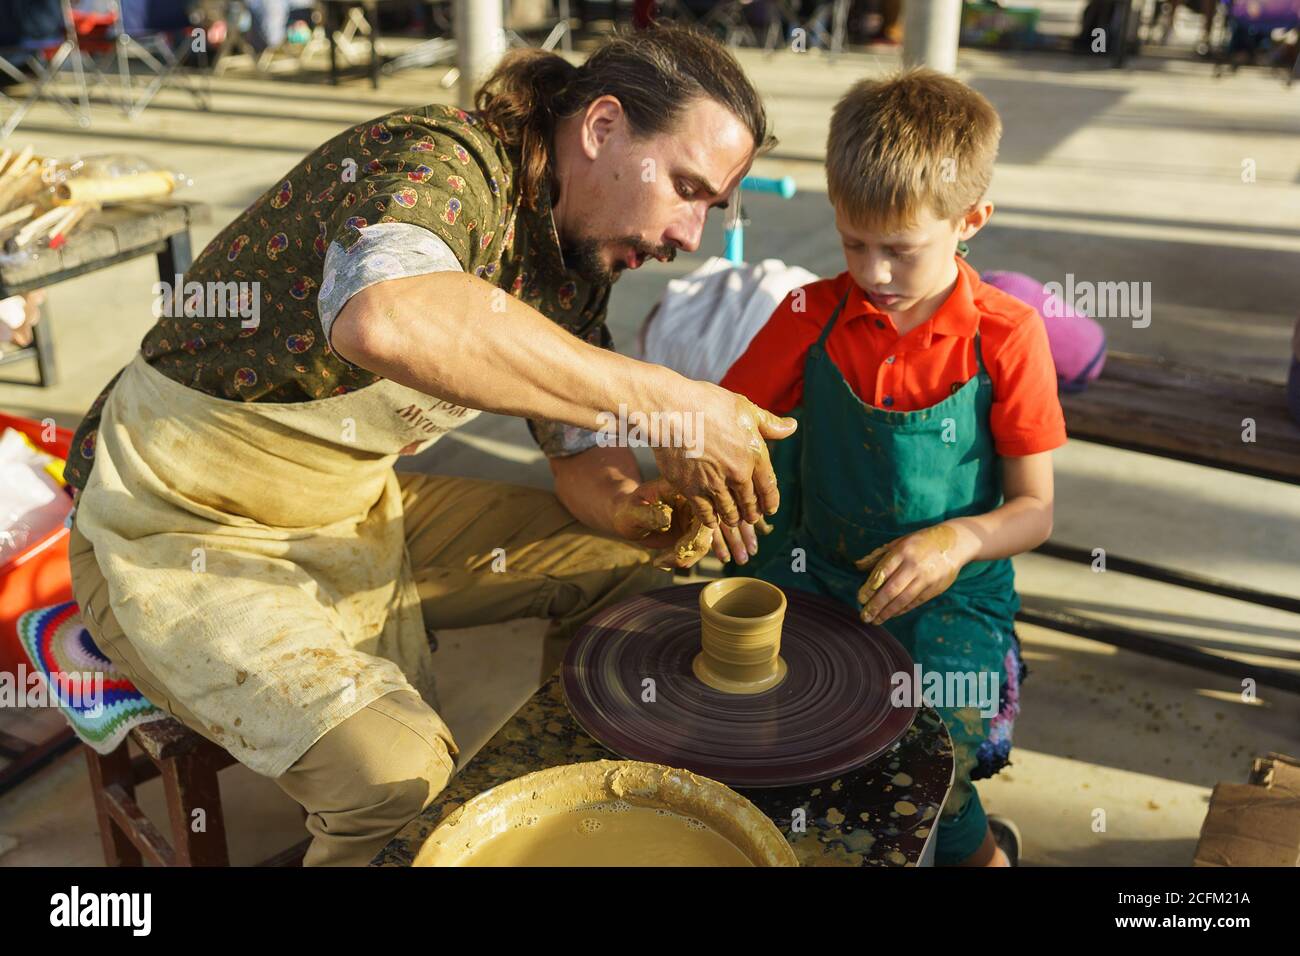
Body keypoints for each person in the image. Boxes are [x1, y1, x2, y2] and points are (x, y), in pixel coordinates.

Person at [65, 24, 796, 866]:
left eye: (709, 205)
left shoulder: (576, 262)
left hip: (346, 507)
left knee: (627, 576)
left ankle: (573, 819)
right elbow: (387, 313)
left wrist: (636, 509)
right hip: (169, 521)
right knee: (400, 779)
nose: (691, 236)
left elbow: (578, 458)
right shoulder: (441, 162)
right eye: (685, 187)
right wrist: (671, 403)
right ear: (601, 128)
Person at [719, 69, 1066, 866]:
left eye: (900, 250)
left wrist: (956, 541)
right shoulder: (810, 314)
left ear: (970, 219)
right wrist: (701, 490)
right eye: (852, 243)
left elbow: (1034, 511)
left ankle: (977, 849)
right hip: (816, 565)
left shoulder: (1006, 337)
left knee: (932, 761)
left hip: (957, 589)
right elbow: (728, 425)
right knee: (763, 730)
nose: (873, 273)